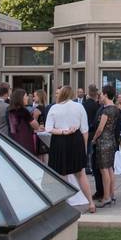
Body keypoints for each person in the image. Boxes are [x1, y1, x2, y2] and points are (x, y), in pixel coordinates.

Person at [45, 85, 94, 213]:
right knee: (81, 174)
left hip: (59, 141)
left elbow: (48, 128)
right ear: (72, 94)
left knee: (61, 174)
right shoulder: (79, 107)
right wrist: (84, 148)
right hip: (76, 140)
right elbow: (85, 130)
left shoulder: (54, 108)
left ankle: (64, 203)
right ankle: (91, 202)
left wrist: (62, 131)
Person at [91, 85, 121, 208]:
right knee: (110, 170)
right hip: (112, 141)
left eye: (101, 94)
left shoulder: (106, 110)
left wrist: (93, 139)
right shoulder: (116, 109)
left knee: (104, 171)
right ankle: (112, 195)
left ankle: (106, 197)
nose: (100, 96)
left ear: (105, 94)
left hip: (103, 142)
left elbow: (100, 129)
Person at [82, 85, 102, 199]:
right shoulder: (98, 106)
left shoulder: (84, 105)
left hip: (86, 130)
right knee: (92, 151)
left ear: (88, 93)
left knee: (87, 150)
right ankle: (90, 166)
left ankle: (87, 166)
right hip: (94, 131)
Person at [7, 88, 40, 157]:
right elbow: (36, 126)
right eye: (26, 96)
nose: (27, 98)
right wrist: (35, 115)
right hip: (25, 141)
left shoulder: (9, 110)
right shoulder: (23, 111)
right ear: (21, 98)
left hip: (13, 140)